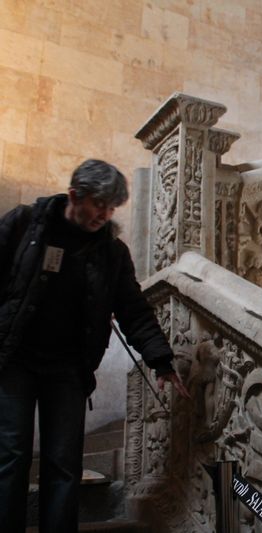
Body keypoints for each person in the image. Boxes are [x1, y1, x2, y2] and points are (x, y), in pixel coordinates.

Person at [0, 159, 190, 532]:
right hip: (16, 361)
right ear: (75, 195)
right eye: (99, 204)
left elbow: (133, 309)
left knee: (64, 462)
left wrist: (161, 360)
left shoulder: (111, 252)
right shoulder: (25, 223)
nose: (105, 214)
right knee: (11, 456)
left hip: (69, 370)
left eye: (112, 207)